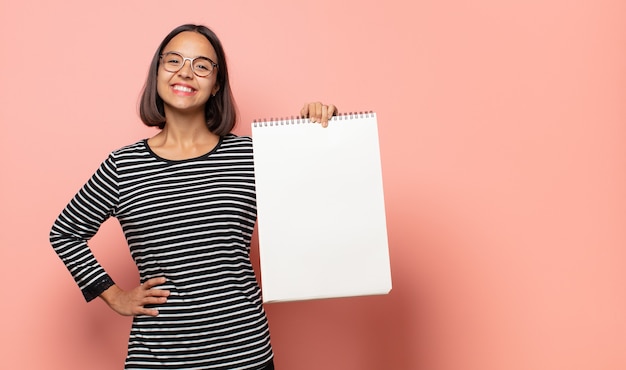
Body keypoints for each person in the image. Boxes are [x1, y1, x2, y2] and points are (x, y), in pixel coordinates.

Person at [49, 23, 337, 370]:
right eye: (173, 61)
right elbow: (64, 232)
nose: (185, 72)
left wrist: (319, 133)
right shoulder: (123, 166)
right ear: (158, 72)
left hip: (244, 354)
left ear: (216, 84)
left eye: (202, 65)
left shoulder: (251, 155)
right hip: (157, 358)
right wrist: (114, 296)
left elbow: (322, 203)